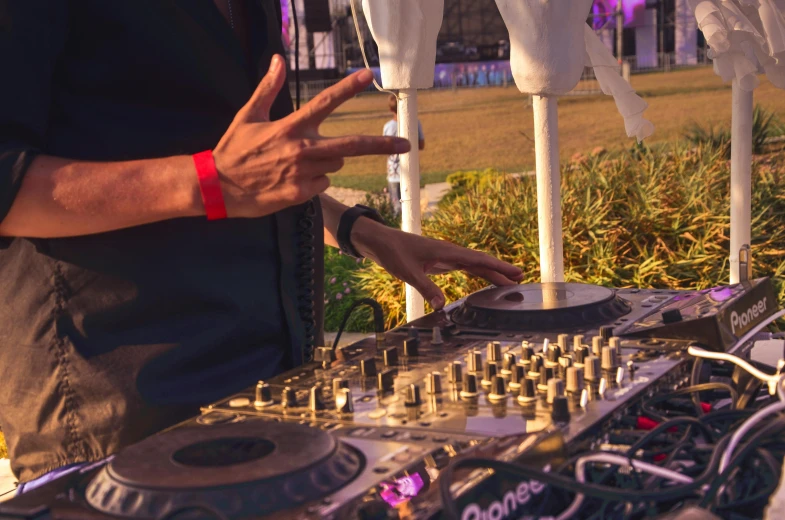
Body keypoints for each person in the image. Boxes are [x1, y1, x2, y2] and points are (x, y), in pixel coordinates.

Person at [0, 1, 523, 488]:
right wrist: (209, 181)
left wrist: (361, 231)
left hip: (266, 394)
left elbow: (240, 166)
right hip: (118, 415)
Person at [383, 94, 425, 215]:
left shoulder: (388, 127)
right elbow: (421, 145)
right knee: (412, 206)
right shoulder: (415, 123)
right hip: (411, 170)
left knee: (397, 207)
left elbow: (385, 149)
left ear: (390, 109)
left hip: (394, 172)